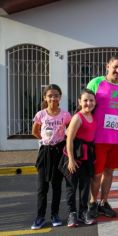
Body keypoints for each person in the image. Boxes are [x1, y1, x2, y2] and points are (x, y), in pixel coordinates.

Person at [87, 56, 118, 218]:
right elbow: (85, 106)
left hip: (116, 140)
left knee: (109, 172)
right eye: (115, 67)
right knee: (96, 173)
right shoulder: (96, 83)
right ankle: (92, 203)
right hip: (98, 138)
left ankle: (104, 202)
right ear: (107, 66)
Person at [31, 84, 72, 230]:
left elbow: (70, 132)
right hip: (45, 152)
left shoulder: (65, 115)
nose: (53, 98)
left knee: (56, 186)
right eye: (50, 95)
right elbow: (35, 131)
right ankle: (40, 217)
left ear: (60, 97)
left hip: (59, 152)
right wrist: (45, 140)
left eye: (56, 95)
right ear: (45, 97)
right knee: (42, 187)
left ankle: (55, 215)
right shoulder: (41, 114)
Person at [64, 89, 97, 227]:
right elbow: (69, 139)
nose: (88, 103)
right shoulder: (78, 117)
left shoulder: (93, 116)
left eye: (91, 100)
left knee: (85, 186)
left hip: (86, 156)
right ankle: (72, 214)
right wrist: (71, 159)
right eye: (85, 100)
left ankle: (83, 212)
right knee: (72, 186)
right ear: (79, 102)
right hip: (75, 156)